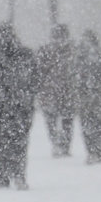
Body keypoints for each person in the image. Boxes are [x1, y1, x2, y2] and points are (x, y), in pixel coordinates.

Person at [0, 23, 37, 189]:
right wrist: (30, 95)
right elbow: (35, 79)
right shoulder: (26, 54)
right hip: (21, 104)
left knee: (2, 140)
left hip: (0, 106)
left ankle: (4, 174)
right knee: (20, 141)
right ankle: (19, 173)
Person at [36, 24, 78, 158]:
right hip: (68, 92)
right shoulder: (73, 50)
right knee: (67, 121)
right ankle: (64, 146)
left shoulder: (45, 50)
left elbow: (39, 72)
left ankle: (55, 143)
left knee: (51, 121)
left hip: (50, 92)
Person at [76, 30, 101, 164]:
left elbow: (76, 76)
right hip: (98, 97)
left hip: (87, 97)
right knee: (98, 124)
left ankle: (92, 151)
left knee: (87, 125)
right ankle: (98, 151)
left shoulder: (81, 56)